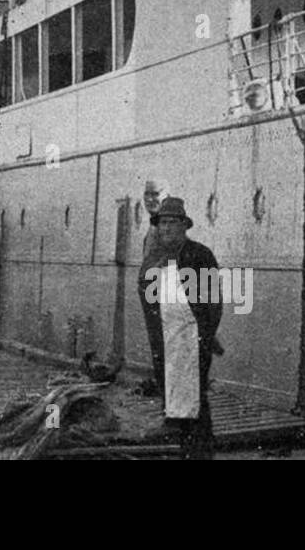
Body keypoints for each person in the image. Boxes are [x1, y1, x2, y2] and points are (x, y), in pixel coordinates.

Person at [143, 196, 223, 460]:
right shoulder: (154, 258)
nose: (166, 228)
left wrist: (207, 335)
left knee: (195, 399)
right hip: (166, 340)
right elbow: (147, 297)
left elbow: (213, 300)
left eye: (172, 222)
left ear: (184, 226)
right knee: (173, 398)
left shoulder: (200, 255)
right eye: (162, 223)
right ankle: (183, 451)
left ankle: (200, 453)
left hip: (193, 339)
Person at [136, 178, 168, 398]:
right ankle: (162, 385)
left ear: (165, 195)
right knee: (157, 340)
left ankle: (166, 388)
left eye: (155, 194)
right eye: (147, 195)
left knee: (161, 340)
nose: (150, 199)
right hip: (151, 289)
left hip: (160, 289)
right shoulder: (154, 223)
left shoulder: (165, 225)